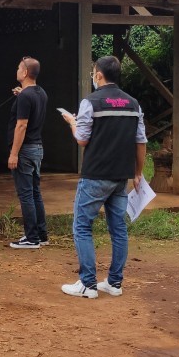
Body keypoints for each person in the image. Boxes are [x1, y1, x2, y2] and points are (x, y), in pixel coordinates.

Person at [58, 56, 147, 299]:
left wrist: (72, 122)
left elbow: (82, 139)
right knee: (118, 229)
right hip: (121, 177)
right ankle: (114, 283)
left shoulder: (91, 102)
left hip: (95, 175)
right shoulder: (133, 104)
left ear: (98, 75)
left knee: (82, 226)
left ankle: (88, 284)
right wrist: (137, 173)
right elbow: (140, 141)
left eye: (93, 73)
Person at [7, 56, 48, 249]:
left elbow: (22, 125)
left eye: (18, 68)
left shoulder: (25, 96)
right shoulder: (40, 93)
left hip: (25, 150)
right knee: (35, 192)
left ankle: (31, 238)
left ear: (24, 72)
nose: (16, 70)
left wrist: (14, 153)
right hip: (37, 148)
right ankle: (42, 234)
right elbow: (30, 103)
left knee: (26, 195)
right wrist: (21, 94)